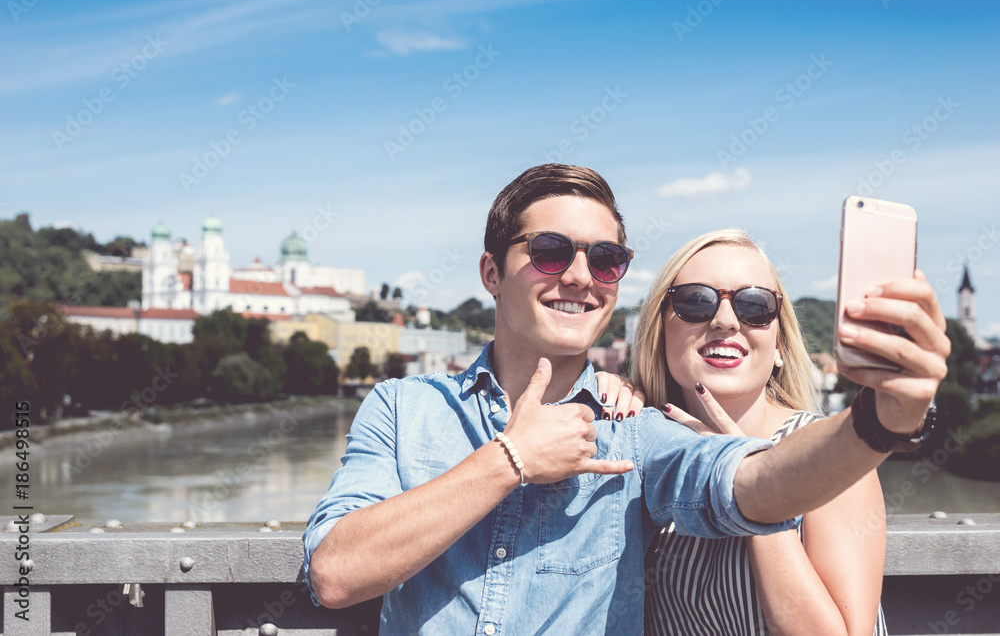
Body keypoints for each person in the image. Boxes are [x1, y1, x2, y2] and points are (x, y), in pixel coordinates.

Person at [302, 164, 948, 634]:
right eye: (551, 252)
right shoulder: (401, 406)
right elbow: (336, 575)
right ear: (491, 273)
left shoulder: (636, 428)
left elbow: (748, 482)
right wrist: (509, 459)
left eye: (606, 259)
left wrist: (884, 417)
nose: (580, 276)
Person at [622, 228, 888, 634]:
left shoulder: (828, 456)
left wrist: (747, 482)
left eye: (755, 305)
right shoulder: (644, 450)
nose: (725, 321)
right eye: (695, 301)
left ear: (779, 344)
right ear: (660, 334)